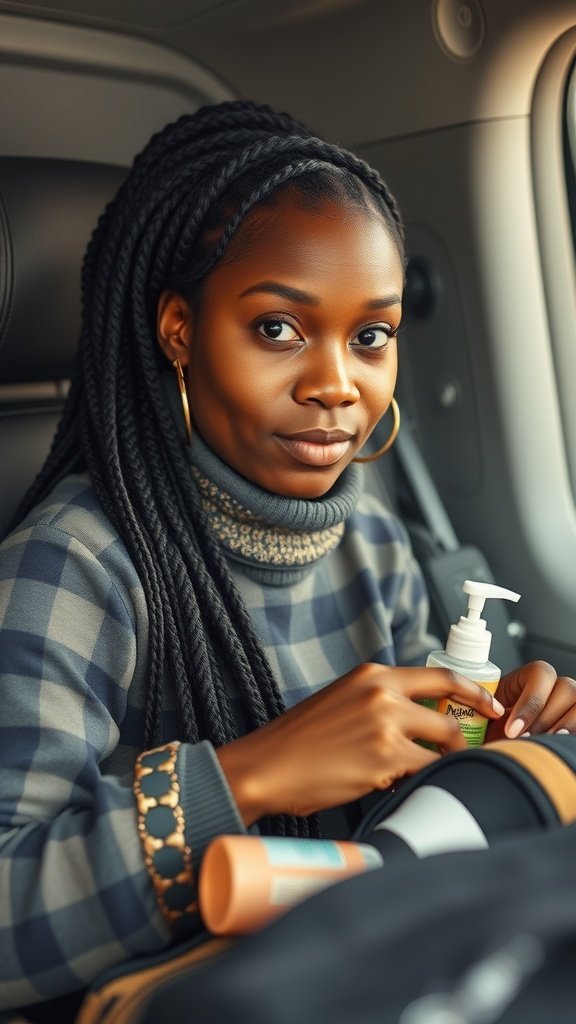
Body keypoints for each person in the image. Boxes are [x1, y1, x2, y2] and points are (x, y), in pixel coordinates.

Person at [1, 99, 575, 1020]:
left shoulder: (374, 543)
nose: (336, 384)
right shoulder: (72, 569)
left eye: (371, 336)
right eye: (279, 328)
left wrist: (495, 745)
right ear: (180, 330)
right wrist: (250, 776)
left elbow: (401, 824)